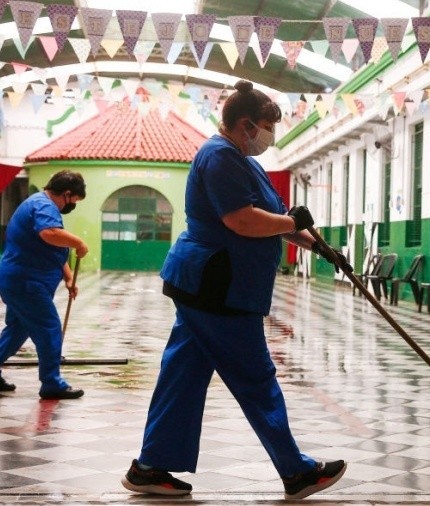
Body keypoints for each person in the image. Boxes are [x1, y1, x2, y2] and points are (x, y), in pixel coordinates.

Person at [122, 80, 351, 500]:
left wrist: (319, 246)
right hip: (217, 288)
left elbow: (277, 218)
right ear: (246, 124)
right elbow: (242, 221)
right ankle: (296, 471)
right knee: (255, 377)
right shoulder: (220, 156)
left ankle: (149, 467)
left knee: (183, 375)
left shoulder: (242, 159)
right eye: (266, 127)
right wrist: (291, 224)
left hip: (207, 286)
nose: (269, 136)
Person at [0, 170, 89, 399]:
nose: (72, 206)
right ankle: (52, 383)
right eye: (73, 201)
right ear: (66, 193)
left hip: (16, 280)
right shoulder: (44, 206)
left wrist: (67, 277)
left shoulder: (39, 204)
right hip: (26, 282)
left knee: (18, 329)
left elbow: (53, 248)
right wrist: (79, 242)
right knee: (49, 328)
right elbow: (50, 234)